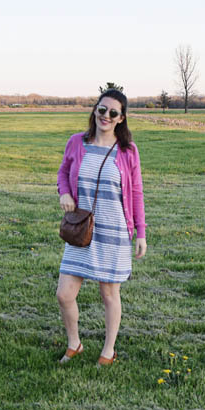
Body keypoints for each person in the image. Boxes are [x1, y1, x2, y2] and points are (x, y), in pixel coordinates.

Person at [56, 89, 146, 366]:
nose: (105, 116)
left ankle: (108, 350)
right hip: (83, 229)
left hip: (114, 231)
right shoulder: (76, 142)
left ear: (122, 119)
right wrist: (64, 193)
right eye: (102, 109)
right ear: (95, 110)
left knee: (109, 293)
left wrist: (140, 232)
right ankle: (75, 344)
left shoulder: (127, 151)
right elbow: (63, 172)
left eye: (113, 112)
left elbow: (136, 192)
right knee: (64, 294)